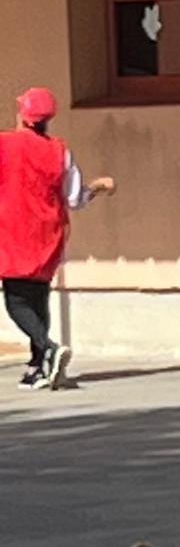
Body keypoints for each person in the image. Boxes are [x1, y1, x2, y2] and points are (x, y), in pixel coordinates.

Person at [0, 87, 115, 390]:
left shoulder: (4, 145)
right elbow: (74, 198)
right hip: (49, 234)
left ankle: (48, 347)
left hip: (13, 231)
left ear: (22, 114)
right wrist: (98, 187)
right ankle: (39, 366)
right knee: (38, 298)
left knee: (15, 300)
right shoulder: (59, 151)